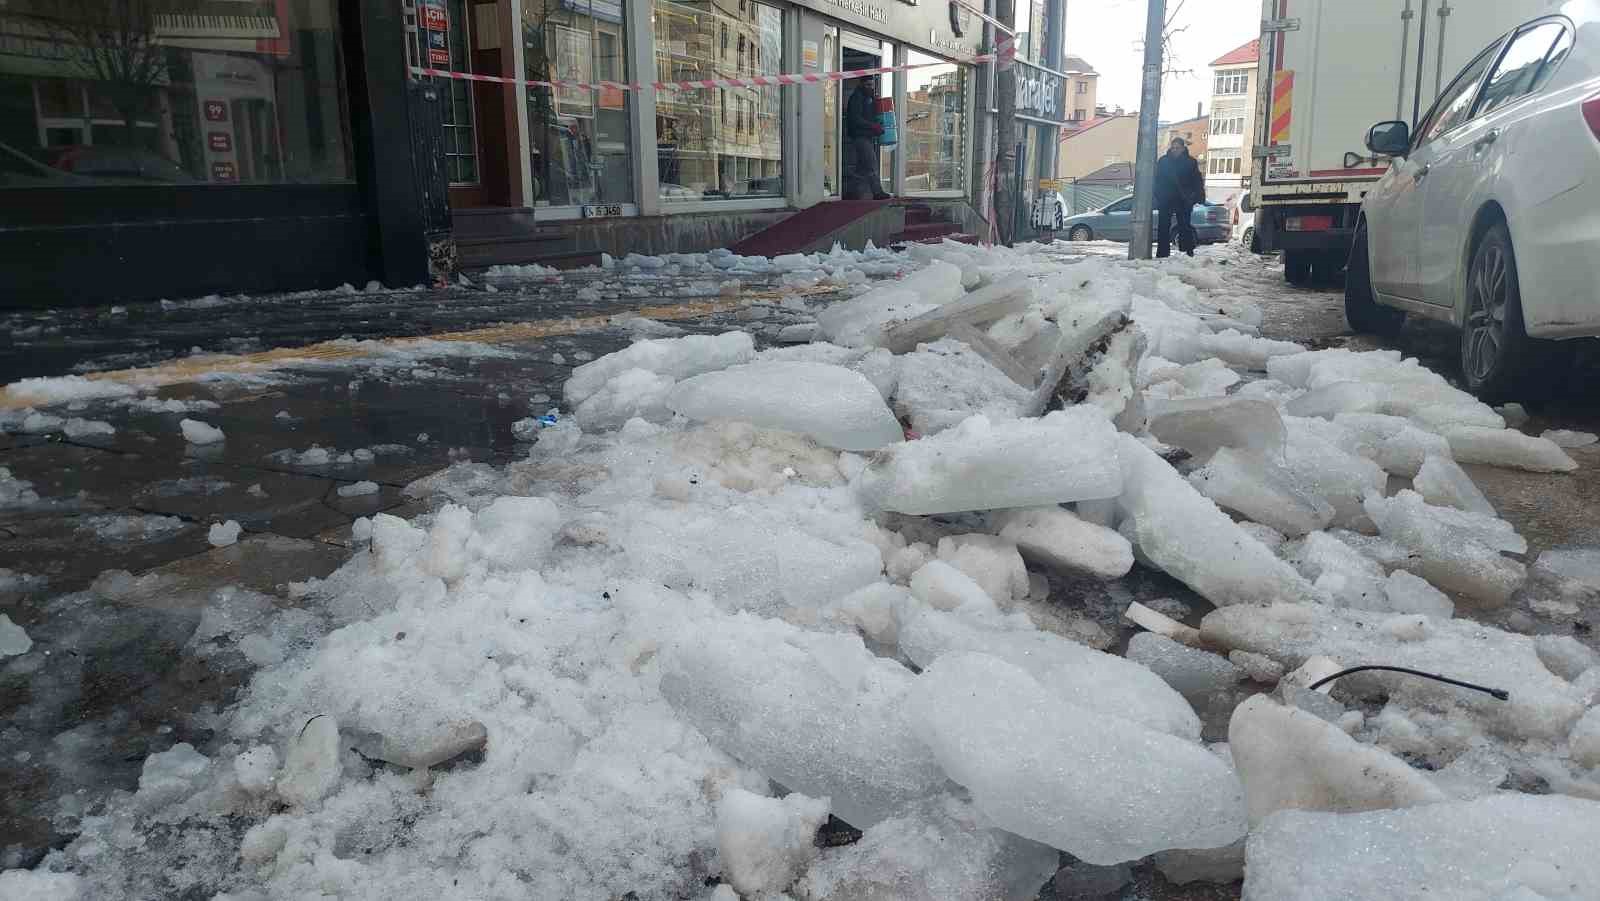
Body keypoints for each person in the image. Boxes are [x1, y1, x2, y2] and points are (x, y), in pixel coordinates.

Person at [1154, 136, 1205, 258]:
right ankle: (1162, 253)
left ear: (1183, 148)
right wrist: (1159, 195)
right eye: (1173, 148)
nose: (1175, 150)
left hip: (1184, 199)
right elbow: (1157, 180)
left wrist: (1195, 197)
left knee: (1185, 226)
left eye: (1177, 148)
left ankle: (1187, 252)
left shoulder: (1190, 162)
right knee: (1163, 227)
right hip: (1166, 198)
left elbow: (1196, 181)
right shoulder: (1163, 161)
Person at [844, 76, 891, 200]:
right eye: (867, 85)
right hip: (860, 136)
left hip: (866, 136)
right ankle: (877, 192)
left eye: (871, 85)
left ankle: (850, 193)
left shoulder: (868, 98)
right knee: (871, 164)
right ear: (861, 84)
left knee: (861, 168)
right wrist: (873, 126)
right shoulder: (857, 98)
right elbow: (856, 119)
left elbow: (870, 116)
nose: (870, 87)